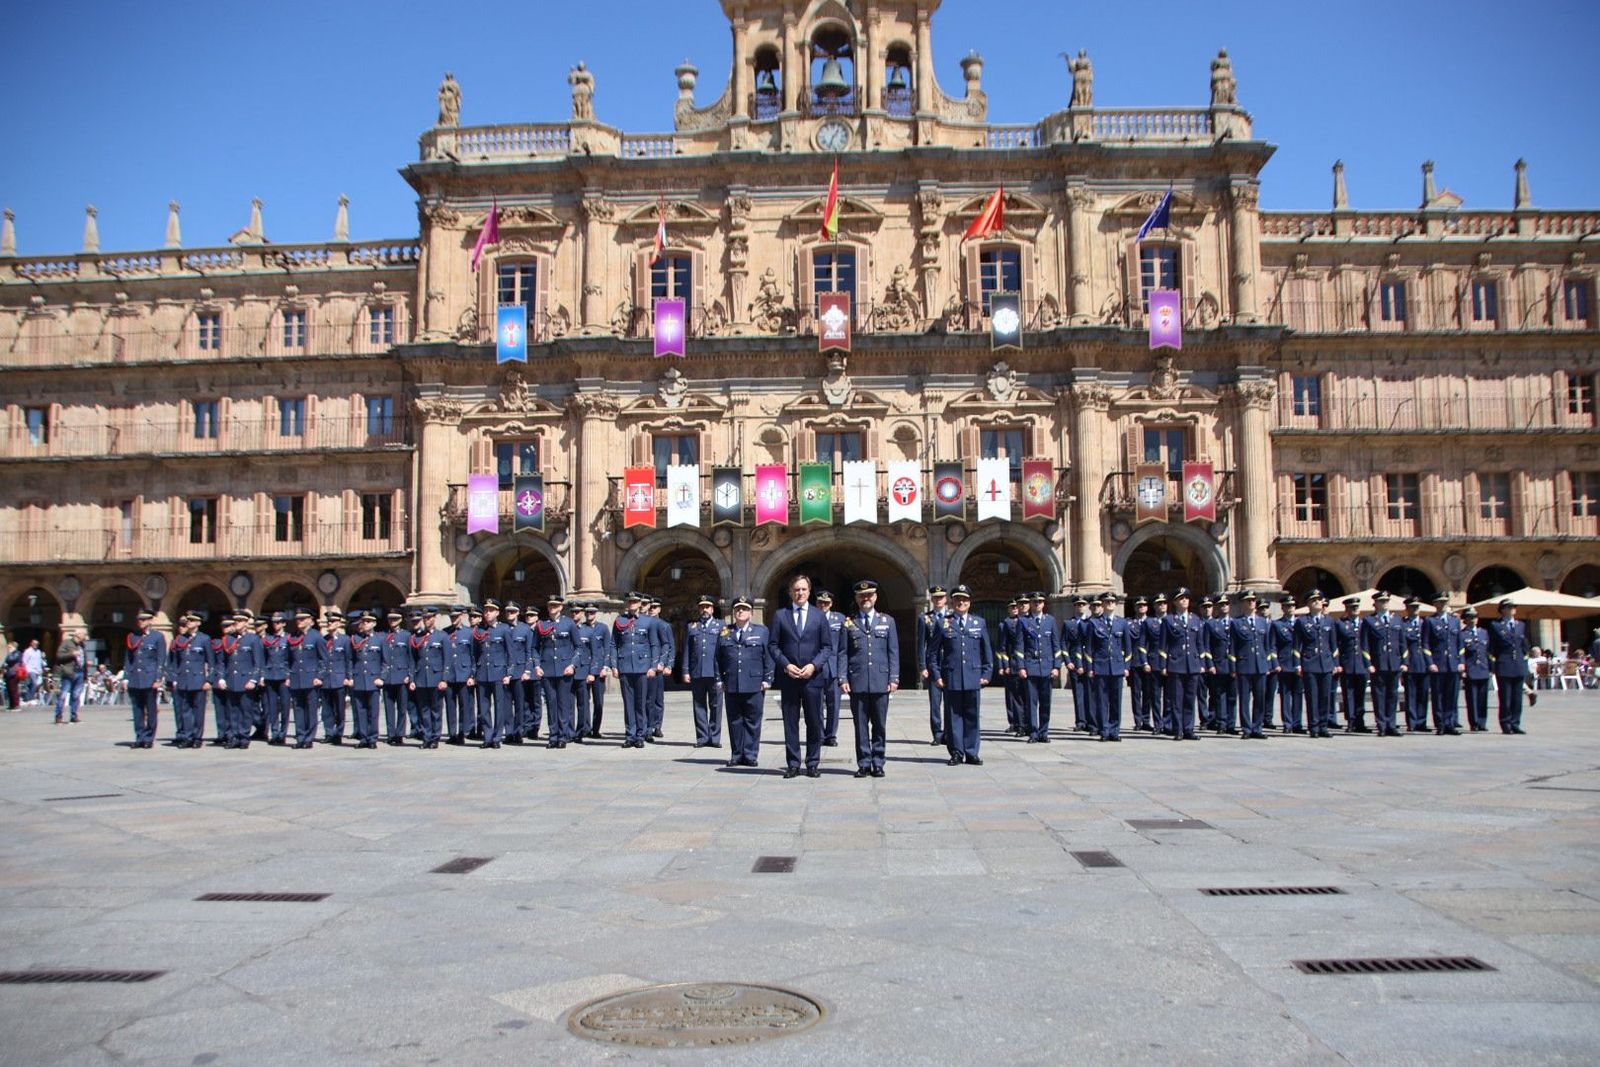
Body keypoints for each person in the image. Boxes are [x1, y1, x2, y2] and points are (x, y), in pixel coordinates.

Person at [768, 573, 834, 778]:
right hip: (789, 678)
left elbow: (827, 647)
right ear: (790, 592)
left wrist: (814, 666)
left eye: (804, 589)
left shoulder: (819, 615)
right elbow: (773, 645)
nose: (800, 593)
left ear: (809, 591)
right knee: (790, 722)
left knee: (814, 722)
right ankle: (793, 764)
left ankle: (813, 763)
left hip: (812, 678)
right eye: (796, 589)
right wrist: (786, 665)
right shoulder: (781, 615)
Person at [841, 579, 898, 777]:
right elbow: (843, 653)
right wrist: (843, 678)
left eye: (869, 595)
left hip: (881, 681)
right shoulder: (849, 623)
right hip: (857, 681)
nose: (866, 598)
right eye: (861, 596)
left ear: (875, 597)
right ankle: (864, 762)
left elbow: (893, 652)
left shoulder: (887, 621)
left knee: (880, 724)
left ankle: (879, 761)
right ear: (856, 599)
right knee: (861, 725)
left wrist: (894, 677)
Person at [931, 584, 992, 765]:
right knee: (953, 717)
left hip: (973, 676)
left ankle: (972, 752)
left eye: (964, 599)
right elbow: (933, 653)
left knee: (972, 716)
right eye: (958, 599)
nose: (961, 602)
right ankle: (956, 752)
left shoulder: (978, 623)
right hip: (951, 677)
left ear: (969, 602)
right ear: (952, 601)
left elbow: (986, 650)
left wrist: (987, 673)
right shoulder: (943, 623)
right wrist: (936, 675)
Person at [716, 595, 772, 768]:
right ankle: (736, 754)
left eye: (745, 609)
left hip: (754, 683)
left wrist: (768, 678)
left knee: (753, 721)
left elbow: (768, 656)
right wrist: (720, 679)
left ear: (751, 612)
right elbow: (718, 657)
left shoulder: (761, 631)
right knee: (734, 721)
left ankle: (750, 754)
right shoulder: (725, 631)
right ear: (733, 612)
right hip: (732, 682)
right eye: (738, 609)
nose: (741, 612)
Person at [534, 595, 583, 749]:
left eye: (555, 605)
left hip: (564, 670)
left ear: (561, 607)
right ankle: (553, 735)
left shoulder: (569, 624)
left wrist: (572, 665)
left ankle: (562, 736)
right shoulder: (541, 625)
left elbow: (579, 647)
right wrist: (537, 665)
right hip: (547, 669)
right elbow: (534, 648)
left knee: (563, 704)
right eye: (550, 606)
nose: (553, 608)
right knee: (551, 703)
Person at [612, 592, 658, 749]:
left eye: (635, 601)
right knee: (628, 703)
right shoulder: (620, 621)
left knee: (640, 702)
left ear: (640, 604)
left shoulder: (647, 622)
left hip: (642, 667)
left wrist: (653, 666)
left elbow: (654, 645)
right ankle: (630, 735)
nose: (632, 604)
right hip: (625, 667)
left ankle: (640, 734)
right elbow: (614, 645)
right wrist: (614, 665)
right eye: (629, 601)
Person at [1085, 592, 1132, 741]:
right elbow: (1089, 649)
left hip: (1117, 667)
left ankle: (1115, 730)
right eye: (1107, 601)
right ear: (1103, 604)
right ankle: (1104, 730)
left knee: (1116, 701)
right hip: (1100, 667)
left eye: (1112, 601)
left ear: (1116, 604)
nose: (1110, 604)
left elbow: (1128, 647)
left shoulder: (1122, 623)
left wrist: (1126, 666)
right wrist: (1091, 668)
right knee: (1102, 700)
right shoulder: (1094, 623)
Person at [217, 610, 265, 750]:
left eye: (240, 621)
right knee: (232, 711)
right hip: (231, 680)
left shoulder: (253, 639)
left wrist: (254, 680)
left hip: (246, 681)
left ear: (246, 623)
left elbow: (258, 662)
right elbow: (222, 662)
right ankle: (234, 736)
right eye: (235, 621)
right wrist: (221, 678)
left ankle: (244, 737)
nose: (237, 624)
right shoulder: (228, 639)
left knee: (245, 710)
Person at [682, 594, 724, 748]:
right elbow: (687, 650)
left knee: (716, 705)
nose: (704, 610)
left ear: (712, 609)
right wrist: (686, 671)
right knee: (699, 705)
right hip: (697, 671)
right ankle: (702, 737)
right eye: (702, 607)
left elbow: (725, 650)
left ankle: (714, 737)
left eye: (707, 607)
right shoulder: (692, 627)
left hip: (715, 672)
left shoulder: (721, 626)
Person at [1161, 588, 1204, 740]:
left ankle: (1189, 728)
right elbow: (1164, 645)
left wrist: (1202, 663)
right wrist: (1164, 665)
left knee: (1190, 698)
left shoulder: (1195, 619)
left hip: (1192, 663)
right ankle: (1177, 729)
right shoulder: (1169, 620)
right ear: (1175, 602)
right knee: (1176, 699)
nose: (1184, 600)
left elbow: (1200, 644)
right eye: (1181, 598)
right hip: (1175, 664)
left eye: (1186, 598)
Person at [1017, 591, 1060, 743]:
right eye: (1035, 602)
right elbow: (1020, 646)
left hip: (1047, 667)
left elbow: (1056, 646)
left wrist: (1056, 667)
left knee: (1046, 702)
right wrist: (1021, 667)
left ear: (1044, 604)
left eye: (1040, 602)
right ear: (1031, 604)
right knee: (1031, 702)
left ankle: (1044, 731)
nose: (1037, 604)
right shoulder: (1024, 622)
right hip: (1031, 667)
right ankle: (1033, 732)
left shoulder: (1050, 621)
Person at [1231, 592, 1274, 740]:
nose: (1251, 603)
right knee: (1244, 698)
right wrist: (1233, 666)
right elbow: (1232, 647)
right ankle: (1246, 728)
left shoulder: (1263, 622)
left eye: (1253, 600)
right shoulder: (1236, 623)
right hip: (1244, 665)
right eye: (1248, 600)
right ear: (1242, 603)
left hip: (1260, 664)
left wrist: (1268, 664)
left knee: (1260, 697)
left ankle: (1257, 727)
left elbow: (1268, 646)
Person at [1296, 589, 1338, 738]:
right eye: (1313, 600)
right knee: (1312, 696)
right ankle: (1313, 727)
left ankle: (1323, 726)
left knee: (1325, 696)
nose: (1317, 602)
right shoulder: (1302, 621)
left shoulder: (1329, 621)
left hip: (1325, 663)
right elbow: (1296, 645)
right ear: (1308, 604)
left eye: (1319, 600)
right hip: (1309, 662)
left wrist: (1335, 663)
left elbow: (1333, 645)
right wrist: (1298, 664)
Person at [1363, 592, 1405, 737]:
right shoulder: (1369, 621)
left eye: (1386, 601)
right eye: (1382, 601)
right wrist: (1368, 663)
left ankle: (1391, 724)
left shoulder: (1397, 620)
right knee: (1379, 695)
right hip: (1378, 663)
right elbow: (1365, 644)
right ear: (1375, 603)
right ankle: (1381, 724)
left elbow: (1402, 643)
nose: (1385, 603)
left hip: (1394, 662)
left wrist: (1404, 661)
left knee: (1392, 695)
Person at [124, 610, 167, 749]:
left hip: (150, 678)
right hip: (135, 678)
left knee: (151, 709)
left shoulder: (157, 637)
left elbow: (161, 659)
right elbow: (128, 659)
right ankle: (139, 737)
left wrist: (158, 678)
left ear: (150, 621)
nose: (140, 622)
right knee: (137, 710)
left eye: (143, 619)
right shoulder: (132, 637)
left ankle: (149, 737)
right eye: (139, 620)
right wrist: (126, 677)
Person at [1487, 599, 1530, 734]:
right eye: (1509, 607)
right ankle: (1505, 724)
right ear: (1502, 610)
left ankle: (1515, 723)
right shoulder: (1496, 626)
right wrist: (1493, 665)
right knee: (1505, 698)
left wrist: (1525, 660)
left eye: (1513, 607)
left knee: (1517, 698)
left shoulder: (1520, 625)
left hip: (1518, 664)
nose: (1512, 609)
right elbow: (1491, 648)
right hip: (1504, 664)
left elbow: (1524, 645)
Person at [286, 609, 327, 749]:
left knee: (310, 710)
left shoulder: (316, 637)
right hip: (296, 678)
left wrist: (319, 676)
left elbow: (323, 659)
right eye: (298, 619)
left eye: (303, 619)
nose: (299, 621)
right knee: (298, 709)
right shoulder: (293, 637)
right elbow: (288, 660)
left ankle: (309, 738)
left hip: (311, 679)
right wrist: (288, 676)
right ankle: (300, 737)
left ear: (311, 620)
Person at [1426, 592, 1463, 734]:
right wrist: (1430, 662)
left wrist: (1461, 661)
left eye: (1444, 602)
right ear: (1435, 604)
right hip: (1438, 663)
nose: (1442, 605)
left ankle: (1450, 723)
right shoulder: (1430, 621)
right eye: (1440, 602)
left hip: (1453, 663)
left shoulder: (1454, 621)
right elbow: (1426, 643)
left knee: (1452, 695)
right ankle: (1440, 723)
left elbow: (1460, 644)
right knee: (1438, 695)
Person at [918, 586, 949, 745]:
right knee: (935, 703)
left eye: (941, 597)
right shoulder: (925, 619)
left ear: (946, 599)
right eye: (935, 597)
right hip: (933, 664)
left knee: (951, 702)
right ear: (931, 599)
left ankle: (950, 732)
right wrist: (923, 666)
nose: (938, 600)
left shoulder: (951, 618)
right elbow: (921, 644)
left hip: (950, 664)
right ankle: (937, 733)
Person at [409, 607, 444, 748]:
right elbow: (413, 660)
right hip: (421, 678)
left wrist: (444, 679)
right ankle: (426, 736)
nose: (427, 621)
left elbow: (446, 659)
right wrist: (412, 679)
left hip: (436, 677)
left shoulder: (441, 636)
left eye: (429, 618)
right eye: (425, 618)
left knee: (436, 710)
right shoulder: (417, 637)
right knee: (423, 710)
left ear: (434, 618)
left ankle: (435, 737)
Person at [441, 605, 477, 744]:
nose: (454, 619)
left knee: (464, 705)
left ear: (462, 616)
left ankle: (462, 732)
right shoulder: (445, 633)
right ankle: (452, 733)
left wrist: (472, 675)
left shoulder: (469, 633)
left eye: (456, 616)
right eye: (452, 617)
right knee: (450, 705)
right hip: (449, 675)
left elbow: (473, 655)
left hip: (463, 674)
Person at [1334, 597, 1370, 732]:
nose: (1354, 609)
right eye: (1352, 607)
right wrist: (1337, 663)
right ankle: (1351, 721)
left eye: (1356, 607)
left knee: (1361, 694)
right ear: (1347, 609)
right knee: (1348, 694)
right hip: (1347, 663)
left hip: (1361, 663)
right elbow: (1336, 645)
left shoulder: (1364, 623)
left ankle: (1360, 721)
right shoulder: (1341, 624)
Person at [815, 590, 846, 746]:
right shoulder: (811, 618)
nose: (823, 605)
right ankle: (819, 734)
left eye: (826, 603)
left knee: (834, 704)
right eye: (820, 602)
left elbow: (843, 648)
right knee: (817, 704)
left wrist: (842, 671)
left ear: (831, 604)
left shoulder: (839, 619)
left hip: (834, 668)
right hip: (816, 669)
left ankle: (831, 735)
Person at [378, 609, 413, 745]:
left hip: (401, 676)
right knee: (388, 707)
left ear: (400, 620)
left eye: (395, 619)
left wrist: (409, 675)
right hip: (388, 677)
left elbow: (410, 657)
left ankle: (399, 734)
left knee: (402, 707)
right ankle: (390, 733)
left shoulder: (406, 636)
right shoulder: (383, 636)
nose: (392, 622)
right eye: (390, 619)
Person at [580, 601, 612, 739]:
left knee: (598, 702)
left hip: (599, 670)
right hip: (584, 669)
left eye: (592, 612)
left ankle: (595, 729)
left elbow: (607, 648)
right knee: (584, 701)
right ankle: (585, 728)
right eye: (587, 612)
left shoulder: (603, 628)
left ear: (596, 613)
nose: (589, 615)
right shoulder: (580, 628)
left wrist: (605, 667)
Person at [260, 612, 292, 744]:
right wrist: (262, 676)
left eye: (278, 622)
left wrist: (289, 676)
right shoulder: (267, 639)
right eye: (273, 622)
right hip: (270, 676)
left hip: (283, 676)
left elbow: (292, 659)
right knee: (272, 707)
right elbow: (263, 659)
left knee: (285, 706)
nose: (275, 625)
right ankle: (274, 732)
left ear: (284, 623)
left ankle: (283, 734)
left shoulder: (289, 638)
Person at [320, 610, 351, 745]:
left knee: (339, 709)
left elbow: (348, 660)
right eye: (328, 622)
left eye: (332, 622)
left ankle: (338, 733)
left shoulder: (345, 640)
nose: (330, 624)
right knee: (326, 709)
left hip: (339, 678)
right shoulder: (323, 640)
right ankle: (328, 732)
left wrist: (348, 677)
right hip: (326, 678)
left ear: (338, 623)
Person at [1400, 597, 1431, 731]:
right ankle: (1412, 722)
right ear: (1406, 609)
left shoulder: (1425, 623)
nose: (1415, 609)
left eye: (1417, 607)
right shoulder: (1403, 624)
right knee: (1411, 695)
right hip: (1411, 663)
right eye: (1412, 607)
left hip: (1424, 663)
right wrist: (1404, 663)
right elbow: (1402, 645)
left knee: (1423, 695)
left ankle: (1422, 722)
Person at [1273, 596, 1302, 733]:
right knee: (1285, 694)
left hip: (1300, 664)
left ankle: (1297, 723)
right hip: (1284, 663)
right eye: (1287, 606)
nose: (1290, 608)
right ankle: (1287, 723)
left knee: (1298, 694)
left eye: (1292, 605)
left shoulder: (1301, 623)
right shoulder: (1277, 625)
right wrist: (1275, 662)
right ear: (1282, 608)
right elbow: (1273, 645)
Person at [1460, 607, 1492, 729]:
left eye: (1475, 617)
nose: (1473, 620)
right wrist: (1463, 669)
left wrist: (1491, 667)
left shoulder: (1483, 633)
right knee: (1472, 698)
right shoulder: (1462, 634)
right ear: (1465, 620)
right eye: (1470, 617)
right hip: (1471, 669)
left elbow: (1488, 651)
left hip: (1483, 668)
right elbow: (1461, 652)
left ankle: (1482, 722)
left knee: (1483, 698)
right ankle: (1474, 722)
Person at [1126, 596, 1151, 731]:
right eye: (1138, 605)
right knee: (1136, 693)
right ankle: (1138, 720)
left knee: (1148, 693)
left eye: (1143, 605)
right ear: (1135, 608)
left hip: (1150, 663)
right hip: (1135, 662)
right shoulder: (1129, 623)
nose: (1141, 607)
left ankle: (1146, 719)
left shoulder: (1153, 622)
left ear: (1147, 607)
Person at [53, 627, 87, 725]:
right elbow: (59, 655)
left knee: (76, 695)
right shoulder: (66, 643)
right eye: (84, 634)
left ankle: (74, 716)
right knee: (63, 695)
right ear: (78, 635)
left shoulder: (82, 645)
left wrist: (85, 672)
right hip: (68, 672)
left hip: (80, 672)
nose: (85, 636)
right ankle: (58, 716)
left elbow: (83, 658)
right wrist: (71, 654)